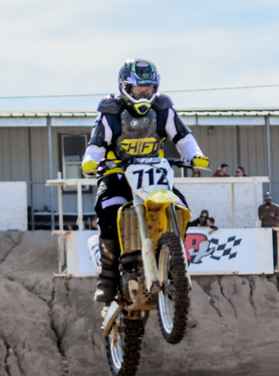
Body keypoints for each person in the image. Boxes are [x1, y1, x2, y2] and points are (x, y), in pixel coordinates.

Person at [81, 59, 208, 302]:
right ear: (125, 88)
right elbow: (96, 145)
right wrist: (90, 160)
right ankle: (107, 278)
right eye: (138, 90)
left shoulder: (163, 108)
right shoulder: (111, 111)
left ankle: (174, 264)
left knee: (181, 206)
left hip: (153, 173)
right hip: (117, 173)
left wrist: (195, 155)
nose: (143, 95)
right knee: (108, 209)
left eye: (147, 90)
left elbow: (183, 137)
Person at [258, 192, 279, 265]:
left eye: (269, 199)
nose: (268, 200)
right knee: (265, 247)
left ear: (271, 198)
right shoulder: (261, 207)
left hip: (274, 228)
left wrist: (274, 216)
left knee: (274, 247)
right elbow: (260, 217)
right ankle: (266, 263)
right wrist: (262, 216)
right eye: (266, 199)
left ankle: (274, 264)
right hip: (265, 229)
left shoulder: (276, 207)